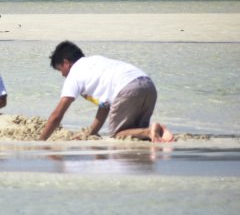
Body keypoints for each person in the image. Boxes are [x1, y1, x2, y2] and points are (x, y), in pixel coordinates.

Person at [39, 41, 174, 142]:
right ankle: (160, 132)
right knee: (134, 133)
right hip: (148, 85)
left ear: (66, 63)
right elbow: (104, 106)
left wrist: (40, 142)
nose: (62, 75)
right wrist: (91, 132)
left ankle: (151, 130)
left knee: (117, 134)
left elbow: (57, 115)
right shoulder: (97, 60)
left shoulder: (74, 74)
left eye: (60, 70)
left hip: (127, 89)